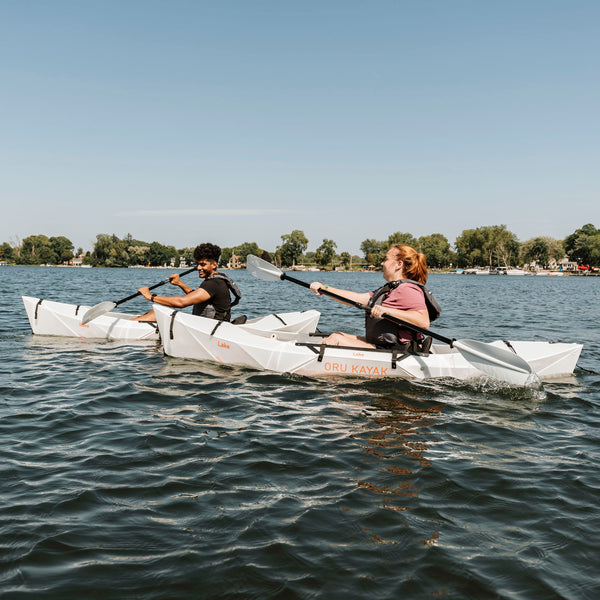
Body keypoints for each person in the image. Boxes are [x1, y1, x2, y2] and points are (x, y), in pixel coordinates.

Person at [309, 244, 433, 350]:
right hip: (383, 345)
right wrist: (325, 289)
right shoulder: (389, 290)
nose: (382, 263)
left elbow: (423, 321)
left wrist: (387, 311)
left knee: (336, 339)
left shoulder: (408, 289)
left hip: (398, 351)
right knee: (338, 334)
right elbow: (356, 299)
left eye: (386, 259)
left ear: (398, 264)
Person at [133, 243, 241, 322]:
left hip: (209, 331)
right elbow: (196, 297)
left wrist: (150, 297)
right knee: (158, 313)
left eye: (203, 264)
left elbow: (181, 303)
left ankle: (128, 326)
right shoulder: (217, 280)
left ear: (214, 265)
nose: (198, 268)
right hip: (210, 327)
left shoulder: (214, 283)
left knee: (157, 314)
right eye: (198, 264)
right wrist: (180, 283)